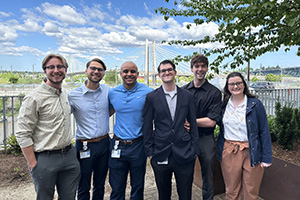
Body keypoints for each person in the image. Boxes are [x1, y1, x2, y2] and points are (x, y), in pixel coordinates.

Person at [16, 53, 80, 200]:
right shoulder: (34, 98)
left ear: (66, 69)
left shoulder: (65, 94)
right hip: (45, 158)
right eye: (51, 67)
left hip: (69, 155)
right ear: (45, 71)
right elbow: (23, 133)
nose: (56, 70)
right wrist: (33, 164)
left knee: (69, 197)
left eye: (60, 66)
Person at [143, 60, 200, 200]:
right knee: (163, 195)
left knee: (185, 194)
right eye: (163, 71)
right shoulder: (151, 97)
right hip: (161, 153)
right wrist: (150, 152)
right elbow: (147, 126)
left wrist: (194, 150)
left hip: (185, 153)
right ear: (159, 75)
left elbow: (193, 123)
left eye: (169, 70)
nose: (166, 72)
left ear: (175, 72)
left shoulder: (187, 96)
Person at [217, 72, 272, 200]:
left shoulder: (255, 104)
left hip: (252, 152)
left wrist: (266, 157)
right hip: (229, 150)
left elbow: (264, 131)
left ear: (244, 85)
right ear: (227, 87)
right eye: (232, 84)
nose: (235, 86)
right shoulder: (223, 105)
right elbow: (214, 121)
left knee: (251, 191)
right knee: (231, 190)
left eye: (238, 83)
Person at [68, 58, 113, 200]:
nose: (96, 71)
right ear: (86, 71)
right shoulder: (73, 95)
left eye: (99, 69)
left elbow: (114, 107)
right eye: (93, 68)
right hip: (84, 145)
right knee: (83, 184)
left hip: (104, 143)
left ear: (103, 73)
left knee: (100, 183)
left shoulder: (108, 91)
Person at [108, 61, 153, 200]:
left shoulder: (148, 92)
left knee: (138, 186)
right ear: (120, 74)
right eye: (125, 71)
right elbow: (105, 113)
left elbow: (160, 112)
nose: (129, 74)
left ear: (138, 74)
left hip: (138, 145)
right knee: (116, 187)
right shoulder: (113, 93)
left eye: (133, 71)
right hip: (118, 144)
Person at [182, 54, 222, 200]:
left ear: (207, 68)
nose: (200, 69)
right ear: (191, 69)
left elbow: (211, 121)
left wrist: (191, 122)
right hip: (186, 138)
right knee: (185, 174)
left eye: (203, 66)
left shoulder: (215, 92)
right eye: (197, 66)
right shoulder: (183, 91)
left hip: (205, 138)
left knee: (208, 175)